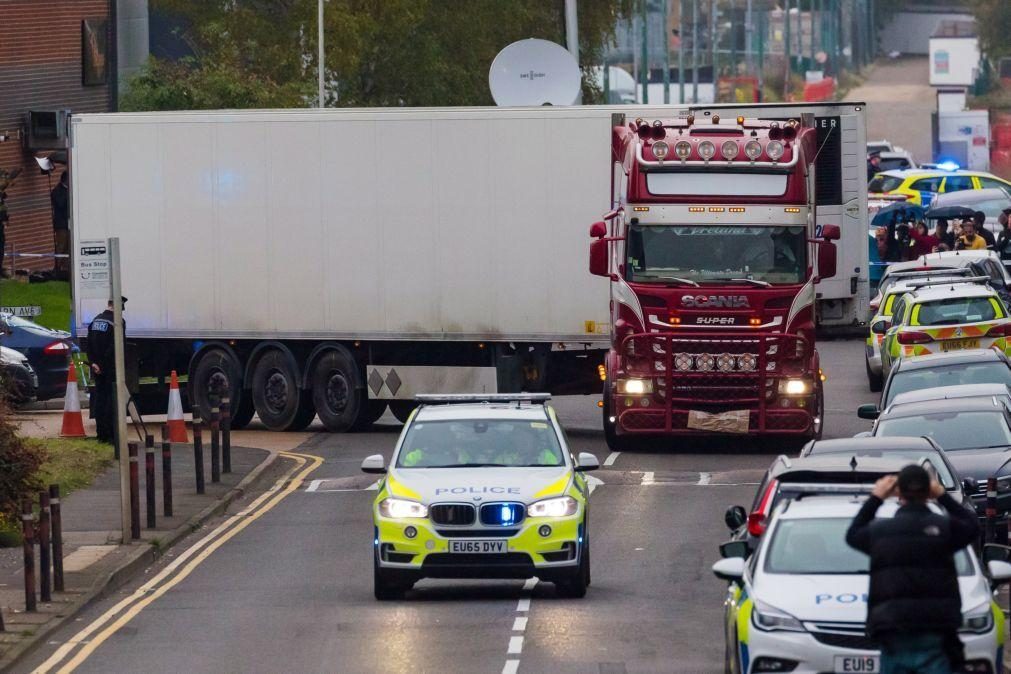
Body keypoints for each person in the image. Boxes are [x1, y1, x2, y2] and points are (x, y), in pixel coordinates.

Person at [846, 465, 979, 673]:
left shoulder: (880, 532)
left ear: (898, 493)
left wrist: (876, 498)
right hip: (935, 627)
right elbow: (972, 525)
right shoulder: (943, 528)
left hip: (893, 627)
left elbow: (853, 534)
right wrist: (942, 496)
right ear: (928, 493)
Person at [86, 297, 126, 443]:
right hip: (110, 368)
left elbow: (88, 344)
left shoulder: (95, 321)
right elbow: (116, 346)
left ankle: (100, 434)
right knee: (111, 400)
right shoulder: (117, 323)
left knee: (100, 399)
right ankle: (111, 435)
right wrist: (103, 364)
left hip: (96, 368)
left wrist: (94, 363)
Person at [50, 171, 69, 279]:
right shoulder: (57, 191)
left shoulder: (67, 190)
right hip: (61, 224)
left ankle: (66, 269)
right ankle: (57, 268)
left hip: (69, 223)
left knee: (68, 247)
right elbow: (60, 204)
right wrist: (68, 193)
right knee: (61, 246)